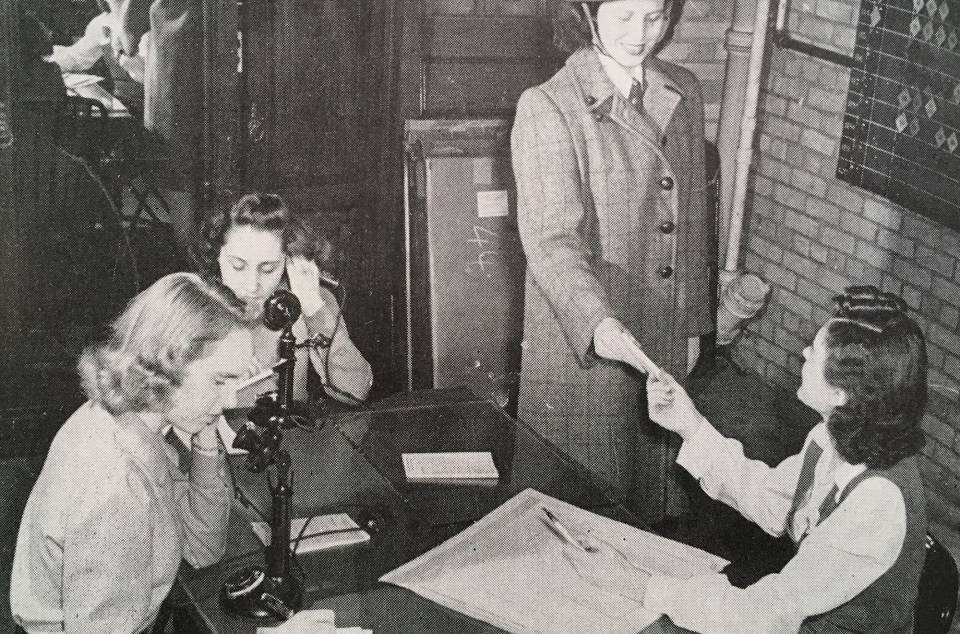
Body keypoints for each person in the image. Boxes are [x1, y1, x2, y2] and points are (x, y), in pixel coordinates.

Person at [565, 286, 929, 633]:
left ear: (839, 393)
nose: (803, 352)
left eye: (814, 351)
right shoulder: (831, 437)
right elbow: (773, 503)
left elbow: (765, 617)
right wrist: (690, 425)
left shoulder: (878, 500)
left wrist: (636, 583)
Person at [511, 0, 713, 523]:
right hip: (588, 342)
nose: (639, 34)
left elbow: (692, 219)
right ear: (586, 12)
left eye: (654, 17)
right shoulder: (549, 105)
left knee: (650, 507)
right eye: (623, 16)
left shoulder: (683, 91)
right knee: (584, 511)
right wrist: (598, 322)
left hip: (660, 331)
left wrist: (692, 325)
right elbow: (553, 241)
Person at [10, 272, 252, 633]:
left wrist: (205, 437)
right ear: (169, 365)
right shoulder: (118, 479)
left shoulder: (136, 420)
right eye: (220, 380)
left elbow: (201, 548)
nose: (233, 400)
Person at [193, 192, 373, 407]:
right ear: (216, 255)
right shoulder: (190, 304)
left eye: (268, 269)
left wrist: (314, 308)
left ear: (289, 261)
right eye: (238, 266)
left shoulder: (303, 302)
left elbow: (356, 392)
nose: (252, 286)